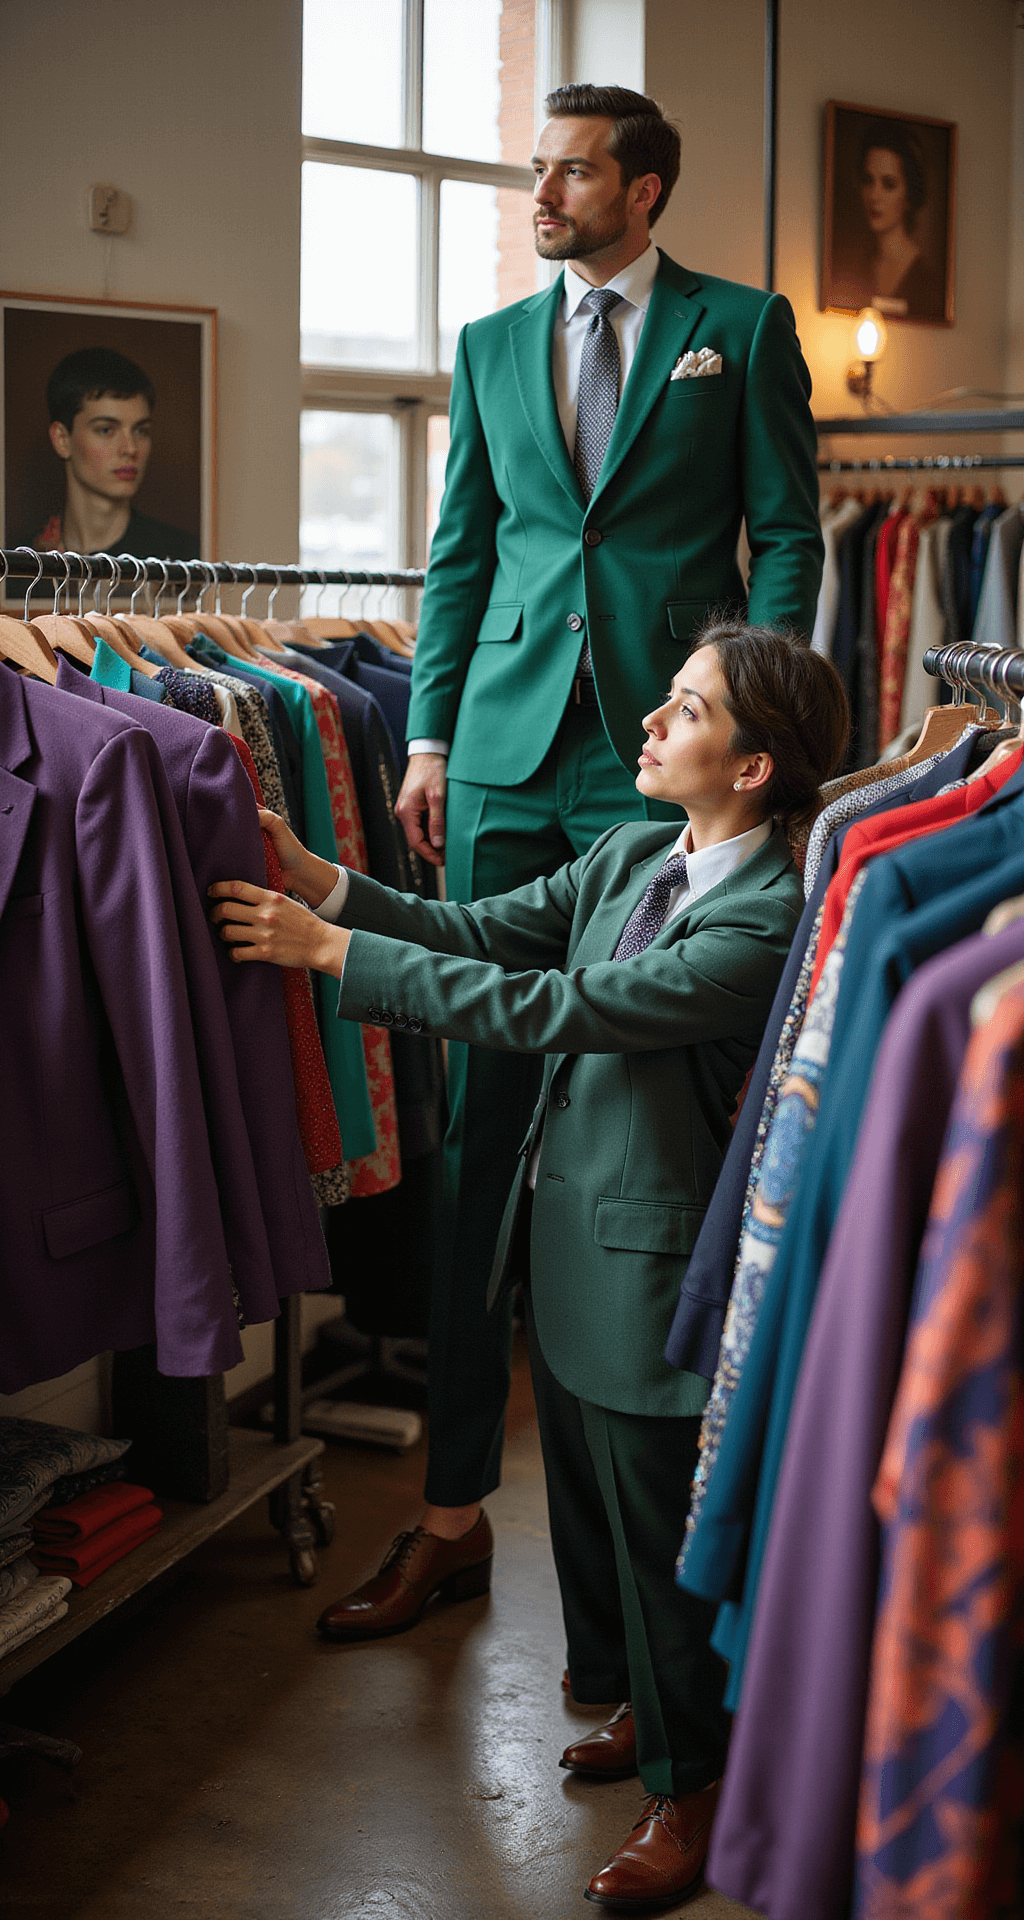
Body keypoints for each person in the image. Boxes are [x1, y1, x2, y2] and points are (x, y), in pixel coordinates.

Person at [208, 623, 849, 1910]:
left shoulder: (768, 921)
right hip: (561, 1244)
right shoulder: (626, 853)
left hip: (650, 1267)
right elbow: (482, 930)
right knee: (592, 1526)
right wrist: (323, 881)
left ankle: (697, 1783)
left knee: (661, 1541)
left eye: (685, 710)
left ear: (756, 766)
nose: (651, 725)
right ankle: (640, 1716)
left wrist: (330, 955)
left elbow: (555, 1010)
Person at [344, 82, 825, 1633]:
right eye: (534, 170)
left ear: (648, 187)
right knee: (479, 1147)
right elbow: (461, 557)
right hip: (498, 760)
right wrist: (425, 741)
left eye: (569, 171)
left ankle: (654, 1547)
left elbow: (789, 534)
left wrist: (751, 703)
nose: (541, 192)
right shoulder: (490, 349)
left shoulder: (736, 331)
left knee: (633, 1136)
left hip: (660, 760)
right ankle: (449, 1509)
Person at [35, 345, 197, 560]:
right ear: (62, 440)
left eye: (141, 431)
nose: (130, 449)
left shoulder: (182, 556)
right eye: (106, 430)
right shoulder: (23, 561)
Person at [833, 121, 944, 321]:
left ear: (909, 194)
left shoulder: (929, 285)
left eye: (888, 184)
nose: (874, 195)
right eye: (868, 181)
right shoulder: (853, 268)